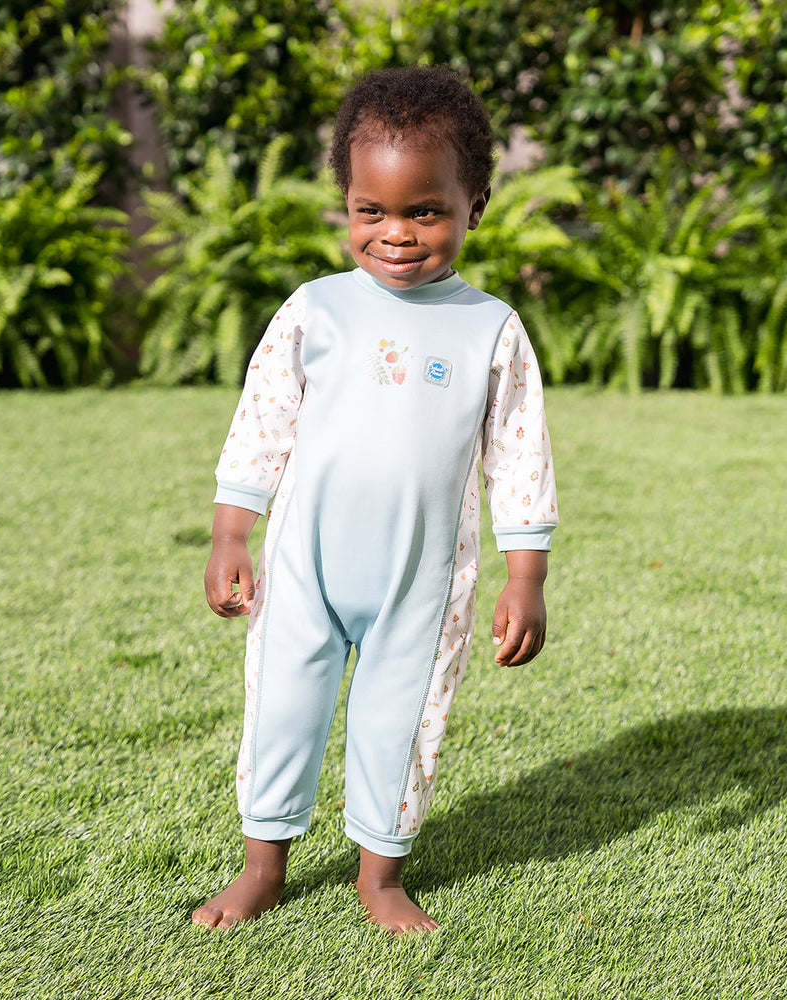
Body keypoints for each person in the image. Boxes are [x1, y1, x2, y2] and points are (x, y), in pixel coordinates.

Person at [192, 65, 558, 935]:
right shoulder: (314, 312)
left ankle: (381, 878)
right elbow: (262, 426)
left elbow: (518, 458)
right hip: (302, 569)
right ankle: (262, 868)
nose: (396, 233)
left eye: (425, 210)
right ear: (346, 206)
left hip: (423, 586)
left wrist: (526, 577)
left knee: (400, 729)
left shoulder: (491, 330)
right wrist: (229, 535)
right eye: (372, 211)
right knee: (281, 712)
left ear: (475, 206)